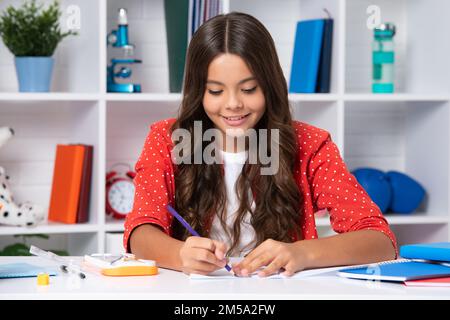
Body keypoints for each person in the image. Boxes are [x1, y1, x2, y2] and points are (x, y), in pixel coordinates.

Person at [124, 12, 397, 277]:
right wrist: (180, 255)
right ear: (199, 91)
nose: (233, 104)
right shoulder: (167, 140)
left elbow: (380, 241)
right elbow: (140, 231)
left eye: (249, 89)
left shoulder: (311, 144)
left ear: (269, 85)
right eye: (216, 91)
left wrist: (302, 253)